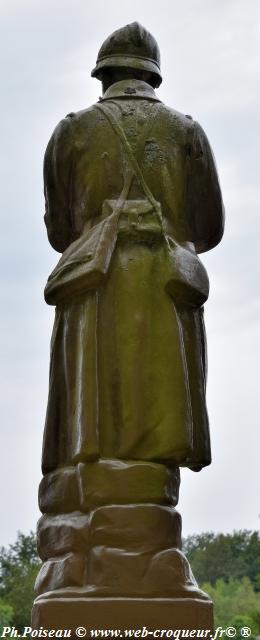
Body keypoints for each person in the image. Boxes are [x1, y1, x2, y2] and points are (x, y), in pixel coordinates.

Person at [42, 21, 224, 477]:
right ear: (153, 77)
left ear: (102, 76)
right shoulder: (187, 132)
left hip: (94, 283)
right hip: (165, 281)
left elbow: (60, 231)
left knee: (95, 417)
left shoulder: (72, 131)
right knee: (160, 415)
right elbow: (210, 227)